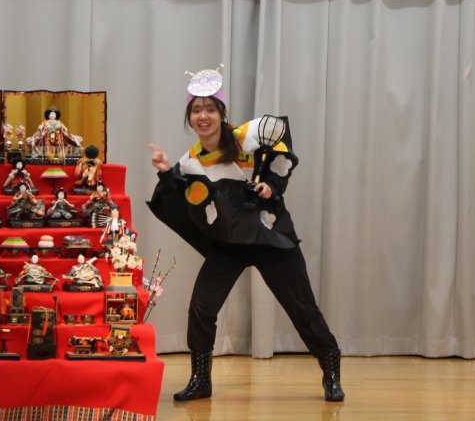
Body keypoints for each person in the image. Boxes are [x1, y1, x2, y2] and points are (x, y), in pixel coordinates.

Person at [147, 67, 344, 402]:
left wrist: (272, 185)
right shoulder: (191, 161)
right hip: (229, 244)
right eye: (196, 110)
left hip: (269, 237)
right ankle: (201, 380)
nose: (203, 116)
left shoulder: (246, 137)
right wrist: (167, 172)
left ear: (222, 113)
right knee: (201, 308)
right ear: (189, 118)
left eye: (210, 109)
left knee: (302, 309)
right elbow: (179, 197)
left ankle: (332, 371)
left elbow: (281, 149)